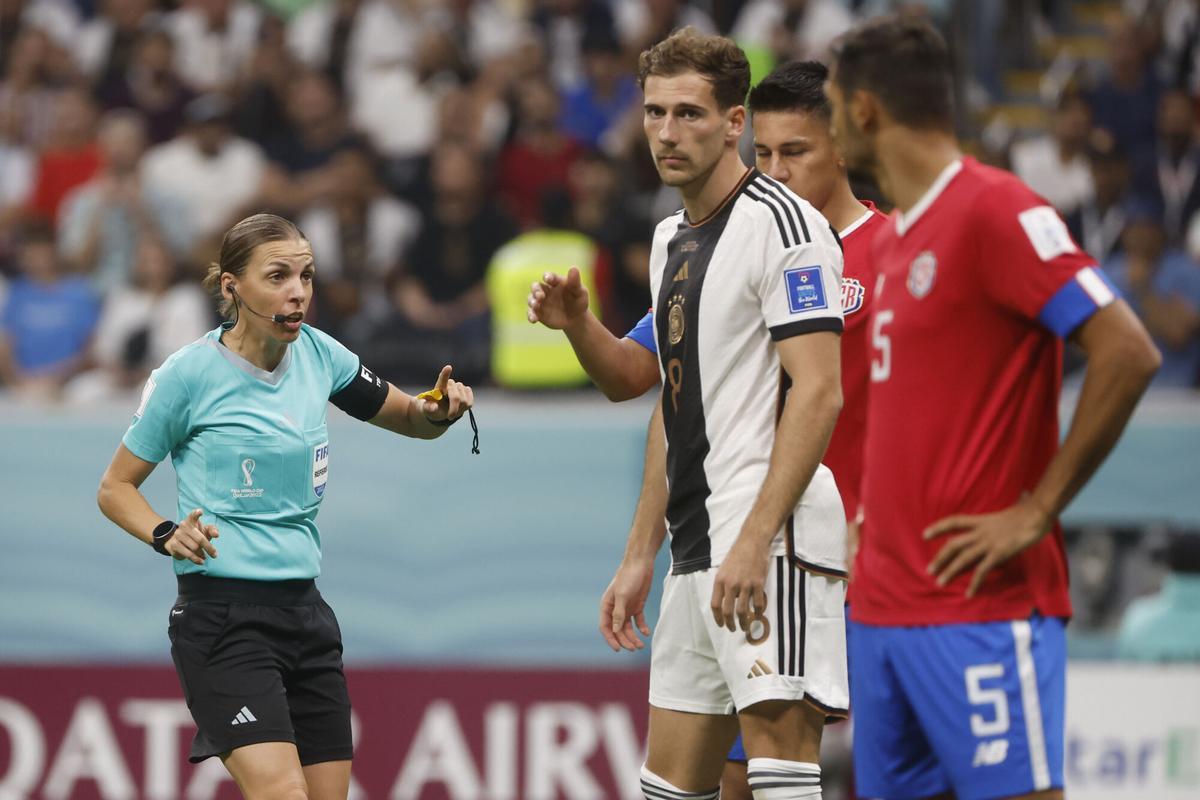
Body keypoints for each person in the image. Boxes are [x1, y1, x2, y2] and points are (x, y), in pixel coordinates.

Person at [527, 58, 886, 798]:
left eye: (688, 113)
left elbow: (820, 394)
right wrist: (577, 325)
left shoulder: (787, 225)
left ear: (733, 124)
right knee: (673, 788)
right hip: (697, 549)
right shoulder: (672, 241)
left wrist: (756, 537)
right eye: (655, 113)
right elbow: (651, 390)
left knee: (779, 776)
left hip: (770, 539)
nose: (667, 132)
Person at [825, 16, 1161, 800]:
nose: (831, 127)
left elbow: (1128, 350)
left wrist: (1039, 509)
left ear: (866, 110)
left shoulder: (996, 211)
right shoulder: (893, 237)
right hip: (881, 608)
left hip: (978, 604)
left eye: (835, 107)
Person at [95, 213, 474, 800]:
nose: (297, 291)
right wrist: (166, 531)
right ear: (231, 288)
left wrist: (438, 412)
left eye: (306, 275)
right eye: (277, 276)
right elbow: (115, 488)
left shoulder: (321, 355)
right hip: (223, 620)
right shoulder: (187, 376)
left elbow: (409, 417)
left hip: (307, 616)